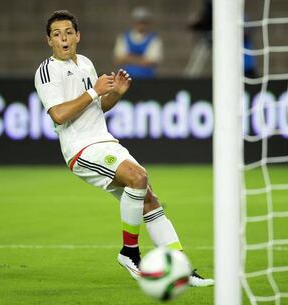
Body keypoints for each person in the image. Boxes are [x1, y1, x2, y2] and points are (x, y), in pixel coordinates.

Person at [34, 10, 213, 287]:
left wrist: (114, 94)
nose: (64, 39)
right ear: (49, 41)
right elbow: (58, 114)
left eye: (68, 32)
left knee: (149, 198)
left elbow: (97, 108)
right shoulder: (47, 71)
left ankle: (181, 270)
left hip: (103, 140)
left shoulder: (86, 64)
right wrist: (94, 91)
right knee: (138, 178)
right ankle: (129, 252)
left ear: (78, 36)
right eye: (57, 35)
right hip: (81, 149)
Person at [113, 7, 163, 79]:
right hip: (125, 80)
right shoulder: (123, 37)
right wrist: (141, 59)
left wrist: (128, 58)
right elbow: (119, 59)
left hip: (147, 79)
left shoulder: (155, 39)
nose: (141, 25)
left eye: (144, 22)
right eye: (139, 22)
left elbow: (152, 61)